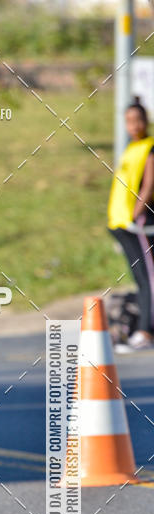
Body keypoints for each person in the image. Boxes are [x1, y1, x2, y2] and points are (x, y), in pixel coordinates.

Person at [107, 99, 154, 351]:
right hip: (122, 225)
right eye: (129, 121)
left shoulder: (150, 148)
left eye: (138, 120)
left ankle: (145, 331)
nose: (134, 125)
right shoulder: (131, 148)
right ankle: (142, 327)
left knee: (149, 278)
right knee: (140, 278)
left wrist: (136, 215)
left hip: (141, 224)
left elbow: (149, 185)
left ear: (146, 121)